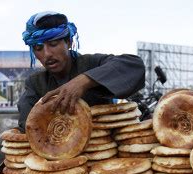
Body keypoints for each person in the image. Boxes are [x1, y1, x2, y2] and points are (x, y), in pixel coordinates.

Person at [17, 11, 146, 131]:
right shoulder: (35, 83)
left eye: (53, 43)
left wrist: (84, 81)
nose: (47, 54)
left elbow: (134, 65)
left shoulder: (92, 63)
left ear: (68, 41)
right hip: (57, 152)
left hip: (101, 148)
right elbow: (27, 124)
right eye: (38, 48)